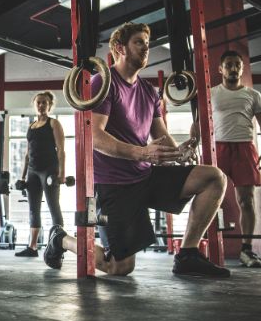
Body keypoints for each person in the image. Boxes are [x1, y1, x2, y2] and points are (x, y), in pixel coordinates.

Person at [44, 21, 230, 277]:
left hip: (145, 176)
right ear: (120, 47)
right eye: (139, 42)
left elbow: (161, 139)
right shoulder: (103, 83)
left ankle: (187, 254)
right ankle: (61, 238)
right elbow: (94, 137)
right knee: (120, 267)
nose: (146, 49)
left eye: (148, 44)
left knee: (213, 177)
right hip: (114, 184)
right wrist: (142, 153)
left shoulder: (148, 91)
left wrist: (181, 152)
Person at [208, 50, 261, 267]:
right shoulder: (211, 93)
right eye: (228, 64)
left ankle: (246, 250)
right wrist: (192, 143)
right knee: (209, 199)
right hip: (217, 148)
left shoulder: (253, 95)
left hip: (244, 148)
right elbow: (199, 122)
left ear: (242, 68)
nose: (233, 68)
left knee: (246, 200)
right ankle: (204, 247)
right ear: (220, 69)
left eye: (237, 64)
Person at [15, 91, 66, 257]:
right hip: (33, 172)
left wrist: (62, 174)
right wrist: (22, 177)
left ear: (50, 105)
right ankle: (32, 247)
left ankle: (58, 246)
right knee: (33, 210)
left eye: (44, 102)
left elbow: (61, 151)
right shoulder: (31, 126)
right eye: (39, 102)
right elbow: (27, 154)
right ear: (34, 104)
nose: (41, 105)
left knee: (53, 207)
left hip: (49, 170)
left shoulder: (54, 124)